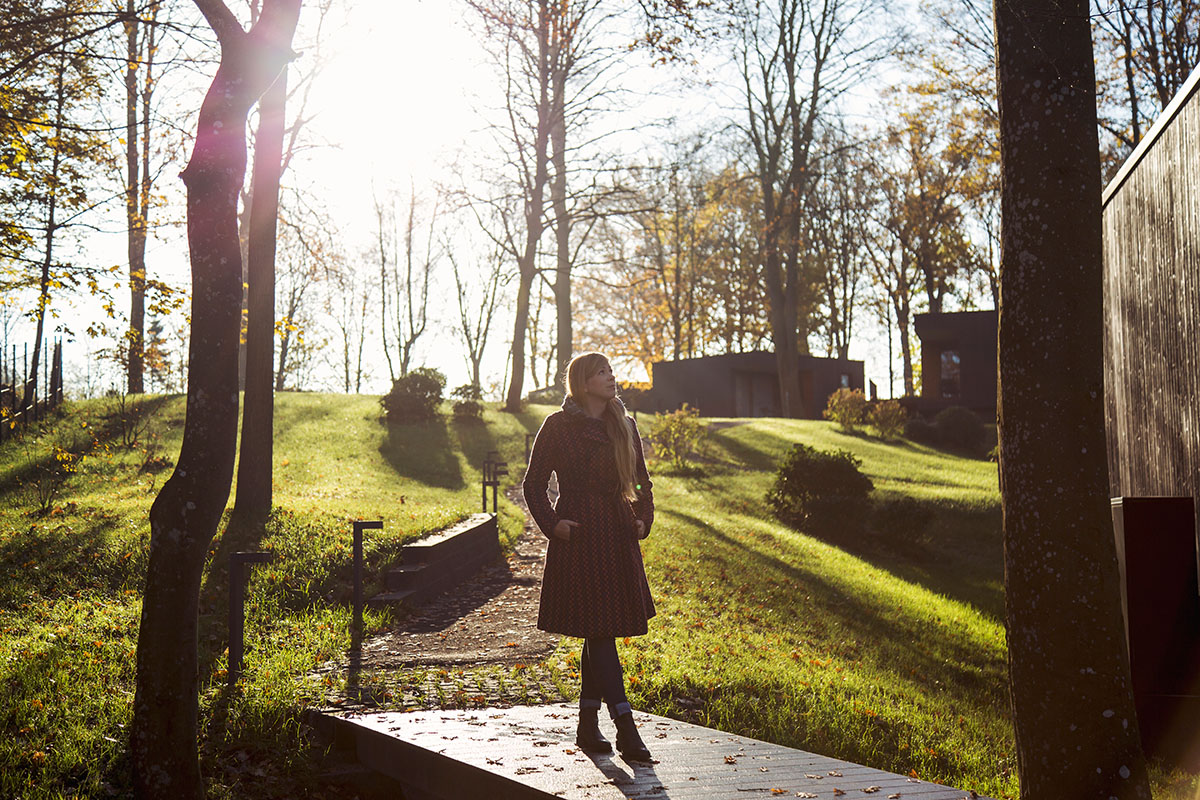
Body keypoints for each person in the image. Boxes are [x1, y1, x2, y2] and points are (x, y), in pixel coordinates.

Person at [522, 352, 656, 762]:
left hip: (616, 535)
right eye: (602, 372)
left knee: (601, 631)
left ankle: (586, 725)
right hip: (579, 537)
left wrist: (642, 520)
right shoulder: (558, 426)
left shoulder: (625, 425)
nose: (611, 377)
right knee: (600, 631)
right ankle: (625, 727)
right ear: (582, 382)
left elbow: (642, 484)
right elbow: (533, 485)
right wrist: (553, 523)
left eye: (611, 371)